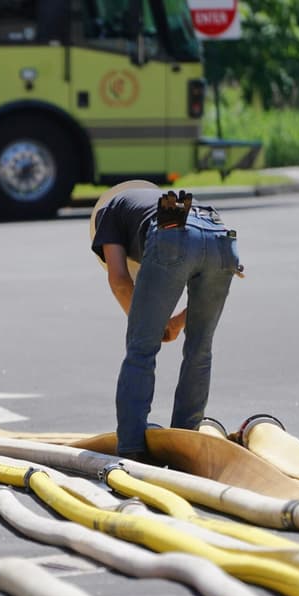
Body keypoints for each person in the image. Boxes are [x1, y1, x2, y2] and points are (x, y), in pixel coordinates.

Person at [89, 180, 243, 461]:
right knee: (200, 350)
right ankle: (185, 444)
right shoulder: (148, 204)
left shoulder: (108, 212)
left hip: (172, 233)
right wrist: (174, 322)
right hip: (221, 236)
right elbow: (201, 297)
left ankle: (132, 447)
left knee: (141, 349)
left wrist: (149, 324)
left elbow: (120, 280)